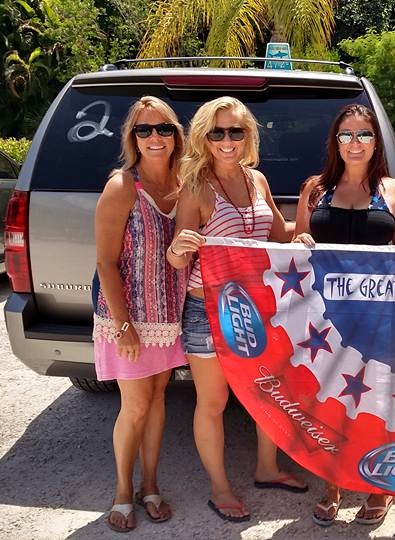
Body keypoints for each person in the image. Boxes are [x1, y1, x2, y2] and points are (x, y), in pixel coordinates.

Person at [165, 96, 307, 522]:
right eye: (217, 132)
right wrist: (178, 248)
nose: (227, 141)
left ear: (248, 136)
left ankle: (267, 469)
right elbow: (178, 257)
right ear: (203, 137)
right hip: (207, 309)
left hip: (258, 309)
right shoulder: (196, 186)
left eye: (236, 132)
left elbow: (277, 235)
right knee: (213, 401)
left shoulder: (257, 180)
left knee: (267, 391)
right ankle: (220, 488)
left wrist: (302, 230)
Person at [291, 104, 395, 527]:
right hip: (325, 320)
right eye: (346, 135)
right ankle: (333, 484)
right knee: (328, 403)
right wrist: (300, 239)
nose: (355, 143)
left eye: (364, 134)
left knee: (380, 402)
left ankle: (380, 487)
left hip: (383, 317)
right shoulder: (315, 190)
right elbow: (298, 246)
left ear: (376, 142)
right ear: (335, 142)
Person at [92, 96, 187, 533]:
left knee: (158, 400)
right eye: (144, 130)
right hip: (127, 320)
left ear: (176, 135)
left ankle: (150, 485)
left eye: (163, 128)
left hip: (167, 319)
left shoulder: (184, 184)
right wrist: (124, 325)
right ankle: (121, 492)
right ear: (132, 137)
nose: (154, 137)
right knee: (134, 406)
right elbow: (105, 262)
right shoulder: (122, 186)